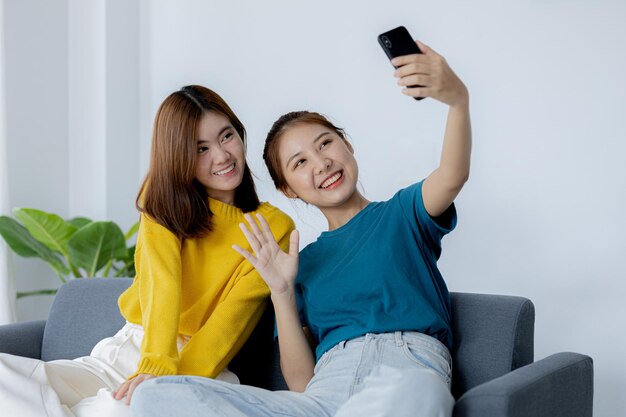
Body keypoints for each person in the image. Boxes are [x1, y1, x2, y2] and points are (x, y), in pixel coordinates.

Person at [131, 39, 470, 417]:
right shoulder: (296, 263)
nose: (321, 163)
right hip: (323, 393)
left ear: (348, 145)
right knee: (156, 395)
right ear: (288, 189)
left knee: (422, 391)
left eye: (326, 143)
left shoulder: (402, 214)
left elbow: (452, 175)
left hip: (406, 371)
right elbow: (300, 382)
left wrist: (458, 101)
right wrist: (281, 290)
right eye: (300, 162)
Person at [0, 85, 294, 417]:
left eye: (226, 136)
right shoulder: (163, 203)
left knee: (117, 409)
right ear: (178, 156)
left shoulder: (273, 227)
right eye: (200, 149)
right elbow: (162, 286)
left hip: (199, 369)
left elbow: (230, 323)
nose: (222, 156)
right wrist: (154, 364)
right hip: (130, 351)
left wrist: (163, 383)